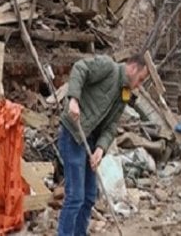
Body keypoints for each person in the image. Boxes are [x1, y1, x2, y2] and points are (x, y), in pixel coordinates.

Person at [58, 54, 149, 236]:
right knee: (75, 196)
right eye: (140, 79)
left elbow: (112, 125)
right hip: (74, 133)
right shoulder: (108, 68)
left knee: (90, 196)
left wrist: (101, 149)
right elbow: (80, 67)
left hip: (90, 142)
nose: (139, 85)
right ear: (132, 69)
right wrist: (74, 99)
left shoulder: (124, 94)